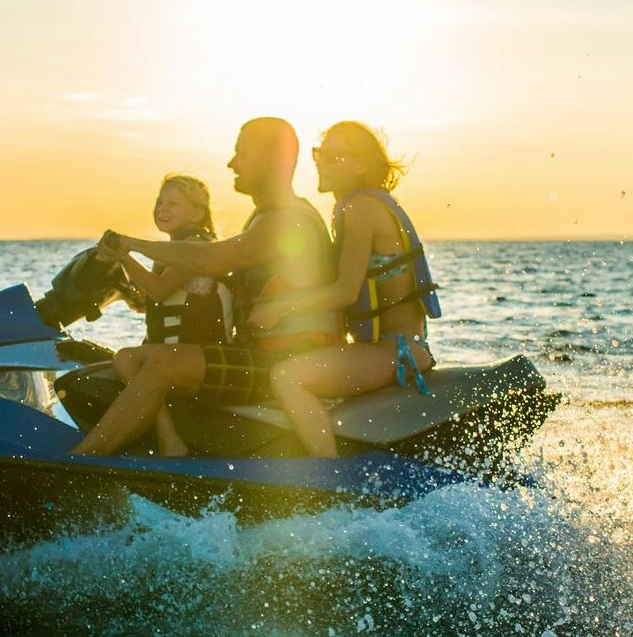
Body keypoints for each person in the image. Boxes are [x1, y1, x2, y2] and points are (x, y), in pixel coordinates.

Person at [68, 117, 337, 457]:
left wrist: (130, 245)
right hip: (259, 354)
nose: (232, 164)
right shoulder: (265, 217)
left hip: (287, 361)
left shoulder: (289, 220)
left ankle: (83, 459)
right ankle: (167, 444)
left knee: (164, 362)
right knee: (128, 358)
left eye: (241, 153)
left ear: (272, 158)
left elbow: (211, 259)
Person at [251, 121, 441, 458]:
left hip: (396, 350)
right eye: (320, 154)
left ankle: (330, 472)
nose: (322, 163)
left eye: (335, 157)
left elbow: (346, 291)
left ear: (361, 165)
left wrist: (277, 308)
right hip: (395, 348)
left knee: (287, 376)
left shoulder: (360, 208)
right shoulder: (360, 205)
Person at [106, 173, 233, 348]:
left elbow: (159, 290)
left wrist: (122, 255)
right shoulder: (170, 251)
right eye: (159, 202)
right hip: (170, 349)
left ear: (197, 213)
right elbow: (162, 295)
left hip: (198, 351)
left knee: (124, 358)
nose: (162, 209)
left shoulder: (196, 245)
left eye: (173, 203)